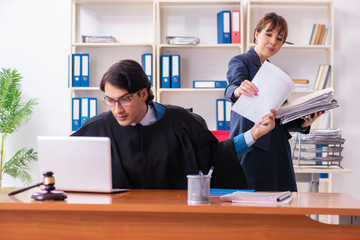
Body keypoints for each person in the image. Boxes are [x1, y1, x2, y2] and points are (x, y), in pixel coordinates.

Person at [72, 59, 277, 190]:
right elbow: (67, 163)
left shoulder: (180, 122)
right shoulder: (97, 128)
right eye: (110, 100)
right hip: (118, 221)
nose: (117, 109)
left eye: (124, 99)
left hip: (174, 217)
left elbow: (216, 155)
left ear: (143, 94)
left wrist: (254, 134)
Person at [225, 12, 322, 192]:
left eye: (279, 38)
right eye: (268, 34)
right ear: (257, 34)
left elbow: (280, 116)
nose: (273, 42)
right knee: (251, 201)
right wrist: (238, 91)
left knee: (283, 203)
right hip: (252, 145)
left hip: (277, 148)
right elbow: (232, 87)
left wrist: (303, 123)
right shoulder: (241, 61)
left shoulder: (274, 73)